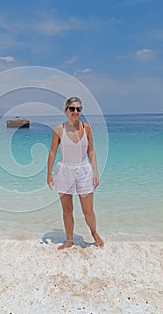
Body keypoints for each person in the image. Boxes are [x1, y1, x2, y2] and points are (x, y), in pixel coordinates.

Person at [47, 96, 104, 249]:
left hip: (84, 171)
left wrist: (95, 172)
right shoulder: (59, 129)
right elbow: (52, 152)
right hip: (64, 171)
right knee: (67, 210)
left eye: (78, 109)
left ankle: (94, 233)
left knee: (88, 210)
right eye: (72, 108)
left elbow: (91, 151)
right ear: (66, 111)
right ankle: (69, 239)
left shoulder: (86, 128)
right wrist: (49, 174)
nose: (75, 111)